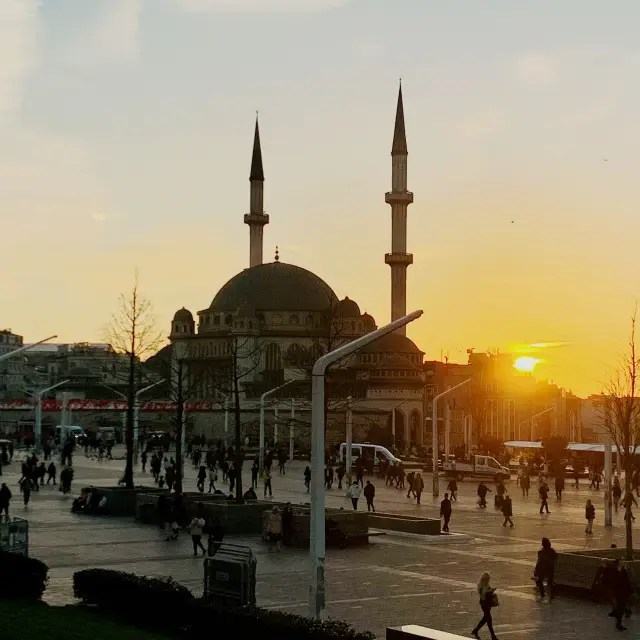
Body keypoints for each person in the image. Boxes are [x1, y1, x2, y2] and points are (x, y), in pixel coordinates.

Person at [471, 572, 499, 640]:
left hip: (486, 604)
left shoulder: (482, 584)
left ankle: (475, 631)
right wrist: (491, 591)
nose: (489, 580)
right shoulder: (484, 585)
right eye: (488, 579)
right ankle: (493, 636)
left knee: (485, 619)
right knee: (489, 619)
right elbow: (484, 594)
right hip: (485, 604)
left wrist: (491, 590)